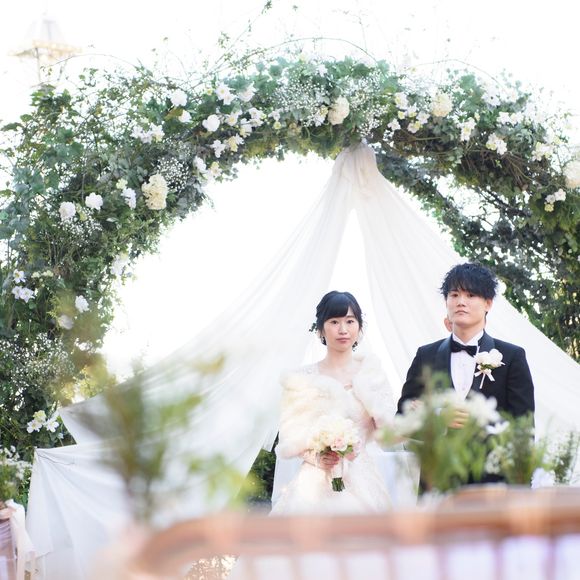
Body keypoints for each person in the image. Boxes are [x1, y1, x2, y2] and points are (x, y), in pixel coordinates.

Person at [271, 291, 393, 515]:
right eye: (334, 322)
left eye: (350, 321)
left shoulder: (372, 375)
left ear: (359, 327)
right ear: (320, 329)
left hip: (362, 476)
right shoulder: (301, 379)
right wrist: (317, 458)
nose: (343, 329)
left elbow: (388, 431)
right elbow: (291, 434)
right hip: (313, 483)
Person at [398, 262, 535, 423]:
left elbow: (524, 427)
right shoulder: (425, 355)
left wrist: (478, 423)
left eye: (470, 295)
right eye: (454, 295)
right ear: (446, 301)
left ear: (488, 303)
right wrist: (437, 417)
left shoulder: (512, 356)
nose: (461, 302)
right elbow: (402, 417)